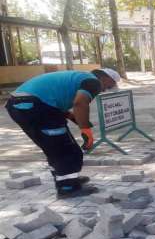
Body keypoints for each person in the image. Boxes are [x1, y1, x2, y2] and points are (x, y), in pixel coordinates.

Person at [6, 68, 120, 198]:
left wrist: (75, 120)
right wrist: (85, 130)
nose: (104, 90)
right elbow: (80, 103)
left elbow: (60, 108)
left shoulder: (78, 77)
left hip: (21, 105)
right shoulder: (93, 82)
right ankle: (67, 187)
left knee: (54, 148)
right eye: (108, 86)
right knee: (66, 150)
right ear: (106, 78)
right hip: (35, 106)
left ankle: (65, 178)